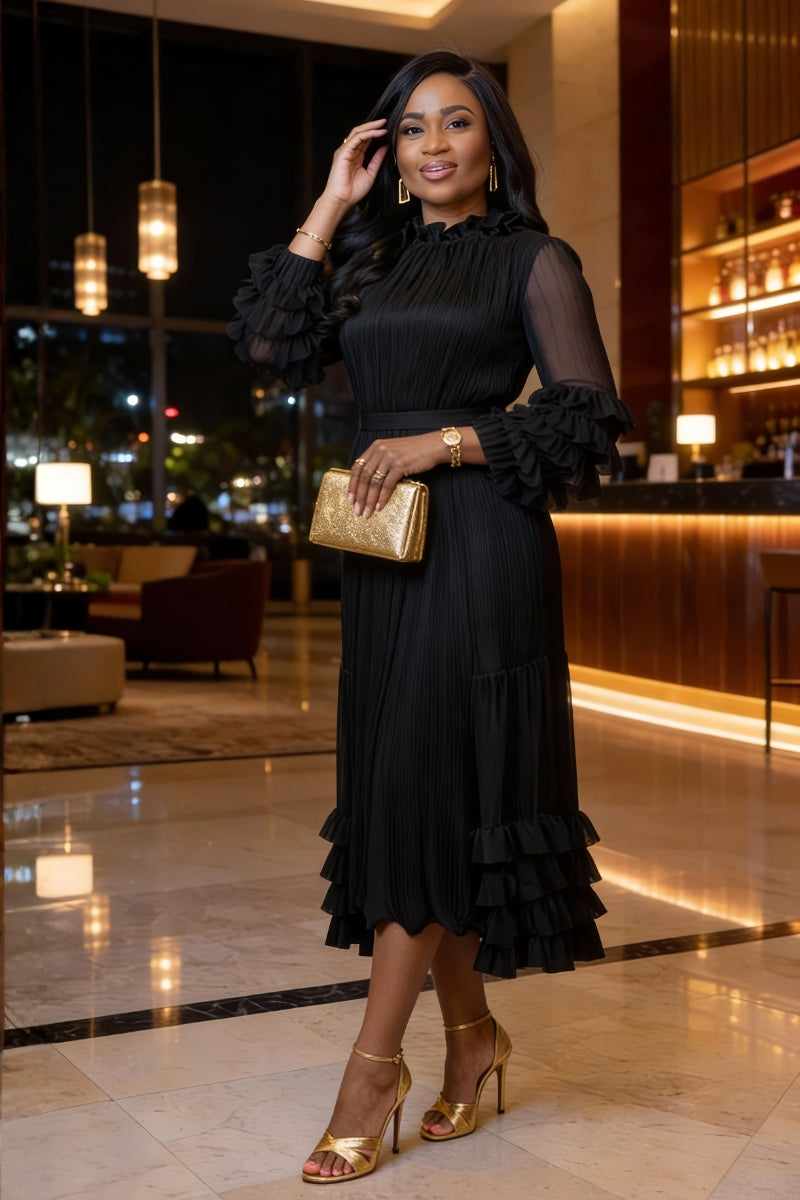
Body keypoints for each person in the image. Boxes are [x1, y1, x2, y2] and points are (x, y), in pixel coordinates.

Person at [228, 49, 635, 1184]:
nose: (434, 145)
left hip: (480, 548)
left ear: (494, 146)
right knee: (410, 794)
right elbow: (269, 342)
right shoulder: (372, 263)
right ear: (390, 156)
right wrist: (328, 202)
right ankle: (472, 1038)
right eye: (411, 130)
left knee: (427, 784)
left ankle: (371, 1068)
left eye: (457, 124)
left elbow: (585, 412)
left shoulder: (531, 260)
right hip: (381, 557)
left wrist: (442, 441)